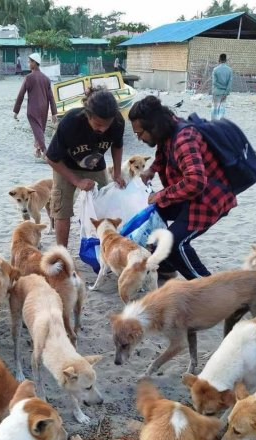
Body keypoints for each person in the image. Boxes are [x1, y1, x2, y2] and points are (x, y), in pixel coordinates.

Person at [128, 95, 237, 279]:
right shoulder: (167, 128)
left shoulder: (184, 139)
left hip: (208, 200)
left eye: (140, 133)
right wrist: (151, 170)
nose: (138, 138)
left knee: (172, 242)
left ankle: (209, 289)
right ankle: (167, 267)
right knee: (154, 214)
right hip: (188, 195)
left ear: (153, 126)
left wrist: (161, 195)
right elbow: (163, 152)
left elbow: (195, 182)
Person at [45, 88, 125, 247]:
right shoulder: (70, 122)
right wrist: (76, 181)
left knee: (104, 207)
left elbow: (117, 145)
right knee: (62, 210)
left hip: (96, 166)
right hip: (65, 166)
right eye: (97, 124)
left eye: (106, 125)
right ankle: (63, 253)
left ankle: (104, 249)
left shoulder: (117, 122)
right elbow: (51, 158)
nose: (102, 129)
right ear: (87, 115)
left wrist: (117, 173)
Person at [13, 52, 57, 159]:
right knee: (40, 129)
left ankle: (44, 150)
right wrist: (54, 112)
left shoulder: (29, 77)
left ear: (35, 63)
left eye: (29, 62)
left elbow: (21, 94)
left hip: (33, 109)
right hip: (44, 108)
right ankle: (37, 150)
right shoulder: (46, 78)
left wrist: (16, 111)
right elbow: (51, 97)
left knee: (37, 130)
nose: (28, 63)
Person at [211, 53, 233, 120]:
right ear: (226, 60)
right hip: (224, 93)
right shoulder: (230, 70)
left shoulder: (215, 69)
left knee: (215, 107)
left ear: (219, 60)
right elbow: (230, 83)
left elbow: (214, 82)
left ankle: (213, 124)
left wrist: (220, 87)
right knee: (222, 108)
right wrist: (225, 92)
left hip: (216, 92)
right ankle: (221, 123)